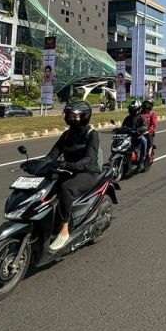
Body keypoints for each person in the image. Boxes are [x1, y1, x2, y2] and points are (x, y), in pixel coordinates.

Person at [46, 101, 104, 251]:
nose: (72, 119)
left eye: (75, 116)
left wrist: (72, 165)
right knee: (45, 186)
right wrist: (37, 164)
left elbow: (90, 158)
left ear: (85, 116)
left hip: (87, 172)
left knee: (65, 188)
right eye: (69, 116)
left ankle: (64, 230)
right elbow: (52, 155)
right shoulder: (66, 135)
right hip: (68, 170)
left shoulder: (92, 134)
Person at [120, 99, 148, 168]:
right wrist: (118, 129)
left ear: (138, 109)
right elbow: (123, 126)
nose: (131, 110)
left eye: (133, 109)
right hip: (128, 136)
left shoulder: (141, 117)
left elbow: (145, 126)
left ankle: (141, 160)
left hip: (137, 136)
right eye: (131, 109)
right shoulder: (127, 118)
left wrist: (138, 130)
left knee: (144, 141)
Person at [140, 98, 158, 166]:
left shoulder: (152, 114)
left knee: (149, 138)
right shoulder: (140, 113)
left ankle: (149, 155)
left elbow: (153, 125)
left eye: (148, 104)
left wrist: (148, 131)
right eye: (146, 104)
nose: (147, 106)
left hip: (149, 131)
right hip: (140, 130)